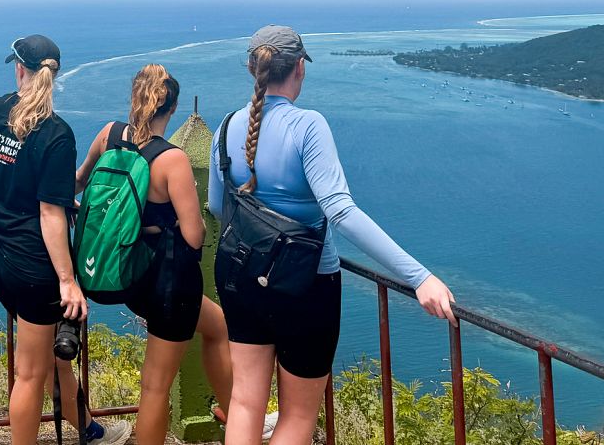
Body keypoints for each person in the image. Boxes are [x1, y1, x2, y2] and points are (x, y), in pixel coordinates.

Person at [208, 25, 457, 445]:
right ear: (300, 68)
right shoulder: (308, 125)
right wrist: (420, 278)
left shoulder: (227, 125)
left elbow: (217, 207)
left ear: (252, 69)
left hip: (241, 275)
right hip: (305, 285)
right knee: (297, 415)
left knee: (246, 402)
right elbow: (341, 211)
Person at [0, 35, 131, 445]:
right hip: (36, 270)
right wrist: (68, 281)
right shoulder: (56, 133)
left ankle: (90, 430)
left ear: (19, 68)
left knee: (53, 361)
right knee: (31, 374)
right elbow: (51, 213)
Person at [77, 64, 241, 445]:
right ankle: (239, 417)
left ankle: (239, 415)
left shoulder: (109, 135)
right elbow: (195, 236)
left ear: (135, 98)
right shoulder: (172, 160)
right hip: (170, 283)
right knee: (154, 386)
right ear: (173, 107)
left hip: (132, 273)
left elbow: (80, 181)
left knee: (217, 327)